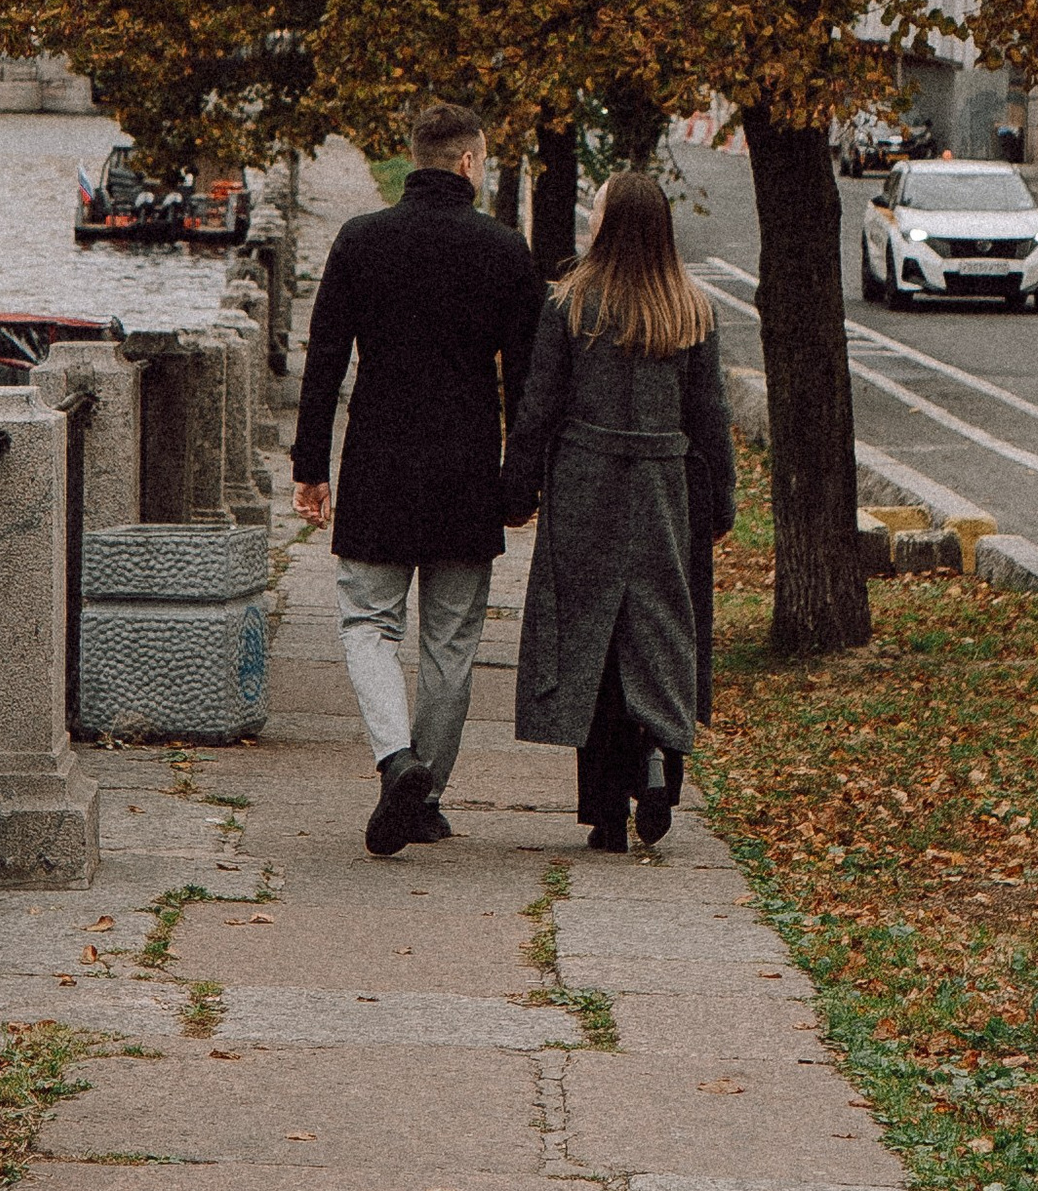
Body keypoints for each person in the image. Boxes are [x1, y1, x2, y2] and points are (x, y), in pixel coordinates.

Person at [292, 100, 543, 855]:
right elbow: (527, 382)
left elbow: (326, 357)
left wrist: (311, 464)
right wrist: (521, 482)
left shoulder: (361, 241)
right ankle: (425, 791)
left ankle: (394, 756)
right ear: (468, 161)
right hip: (467, 469)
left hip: (378, 461)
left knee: (368, 623)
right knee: (451, 642)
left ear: (415, 159)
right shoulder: (505, 251)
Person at [500, 170, 735, 856]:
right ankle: (660, 756)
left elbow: (538, 405)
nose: (589, 220)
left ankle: (605, 811)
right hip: (666, 485)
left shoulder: (571, 304)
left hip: (586, 482)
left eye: (595, 211)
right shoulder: (690, 309)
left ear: (611, 224)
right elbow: (710, 415)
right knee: (662, 625)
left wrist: (518, 489)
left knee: (592, 635)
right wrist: (719, 500)